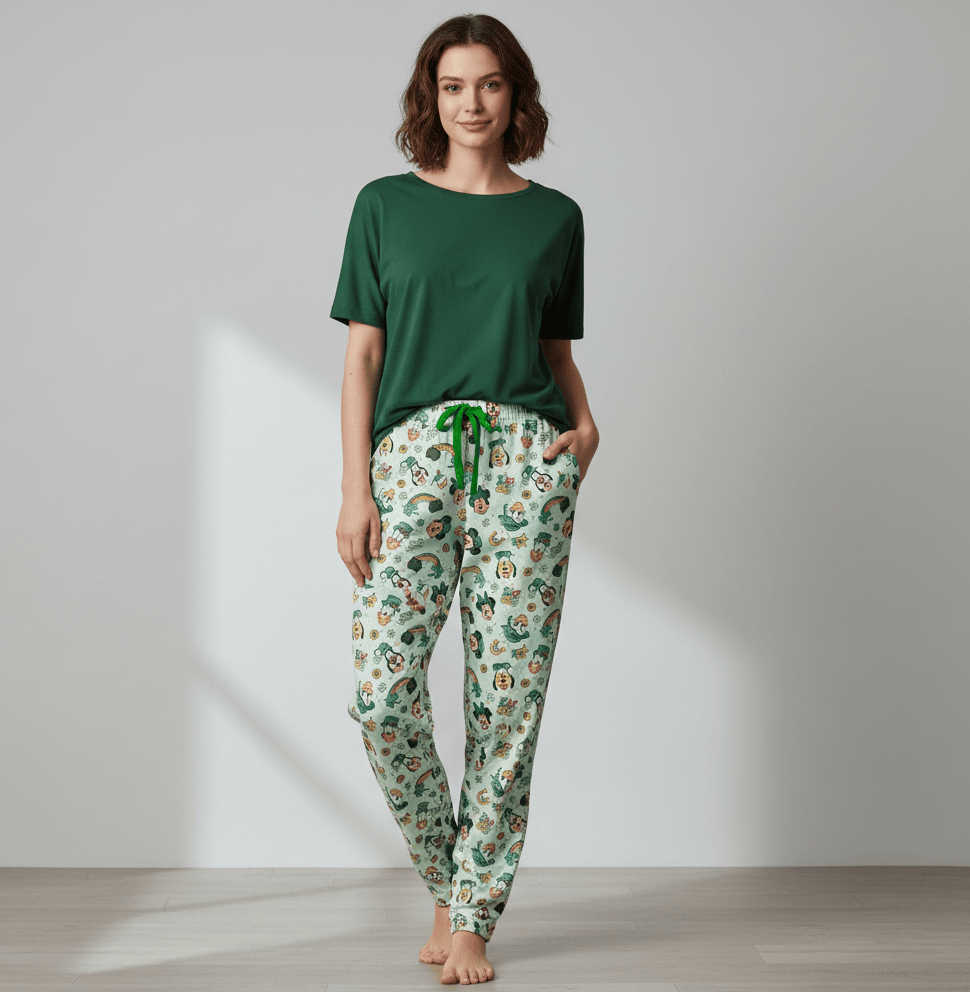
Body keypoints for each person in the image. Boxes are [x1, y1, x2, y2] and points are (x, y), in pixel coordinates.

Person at [331, 13, 599, 986]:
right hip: (409, 460)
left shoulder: (555, 217)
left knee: (507, 701)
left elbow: (553, 351)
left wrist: (585, 423)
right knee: (380, 693)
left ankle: (473, 915)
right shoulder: (384, 206)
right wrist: (354, 488)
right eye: (452, 86)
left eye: (488, 84)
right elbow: (363, 359)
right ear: (430, 97)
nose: (471, 103)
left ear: (514, 94)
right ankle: (449, 880)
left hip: (527, 460)